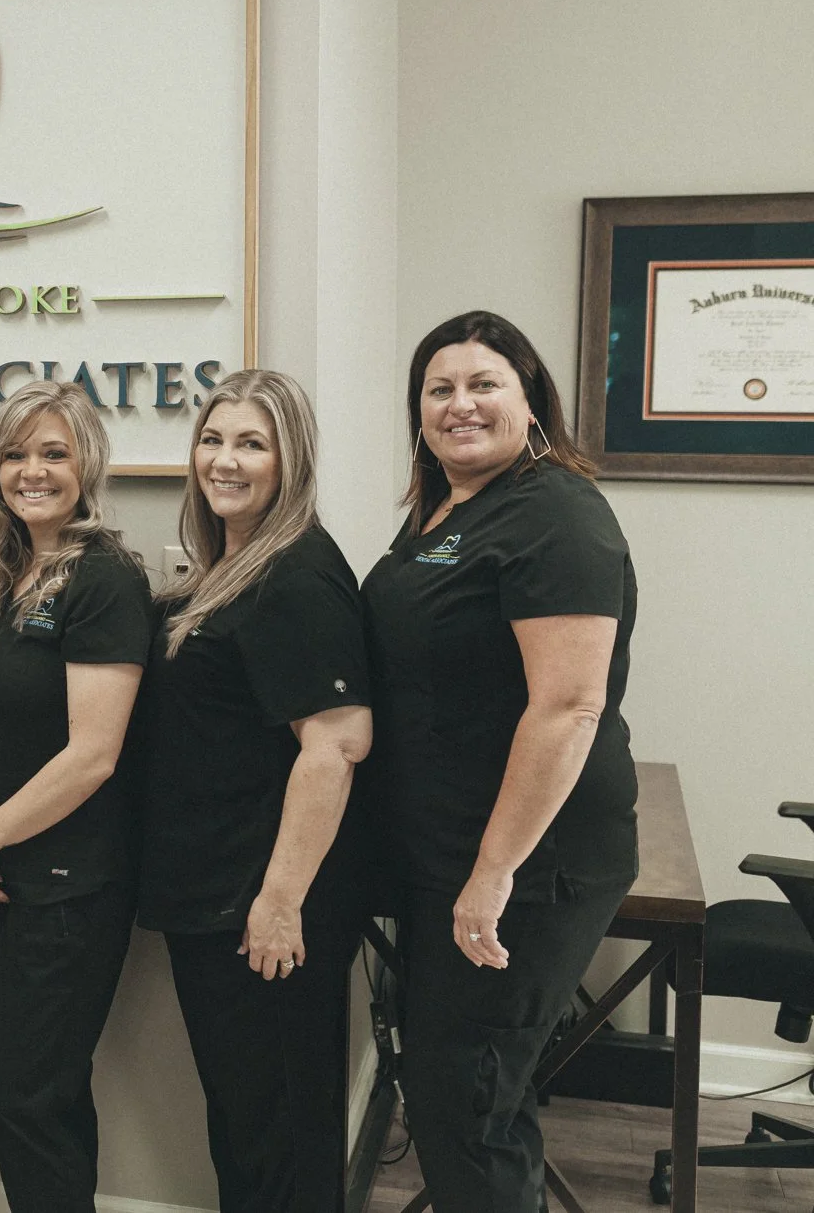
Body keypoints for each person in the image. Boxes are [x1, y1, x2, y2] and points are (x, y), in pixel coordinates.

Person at [360, 311, 637, 1213]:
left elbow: (568, 707)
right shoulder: (445, 508)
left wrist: (492, 872)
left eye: (484, 384)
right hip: (447, 848)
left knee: (467, 1104)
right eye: (439, 388)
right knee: (464, 1098)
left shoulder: (555, 514)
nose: (459, 403)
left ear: (532, 402)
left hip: (525, 863)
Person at [135, 369, 372, 1213]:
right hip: (218, 896)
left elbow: (338, 743)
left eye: (251, 443)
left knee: (280, 1132)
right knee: (245, 1123)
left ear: (290, 459)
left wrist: (278, 902)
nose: (224, 460)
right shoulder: (231, 566)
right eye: (212, 438)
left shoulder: (297, 575)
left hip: (263, 909)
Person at [0, 381, 149, 1213]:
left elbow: (93, 755)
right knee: (46, 1095)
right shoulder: (0, 574)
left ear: (87, 465)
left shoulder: (104, 580)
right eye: (17, 454)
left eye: (54, 453)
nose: (33, 471)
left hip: (71, 883)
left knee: (27, 1098)